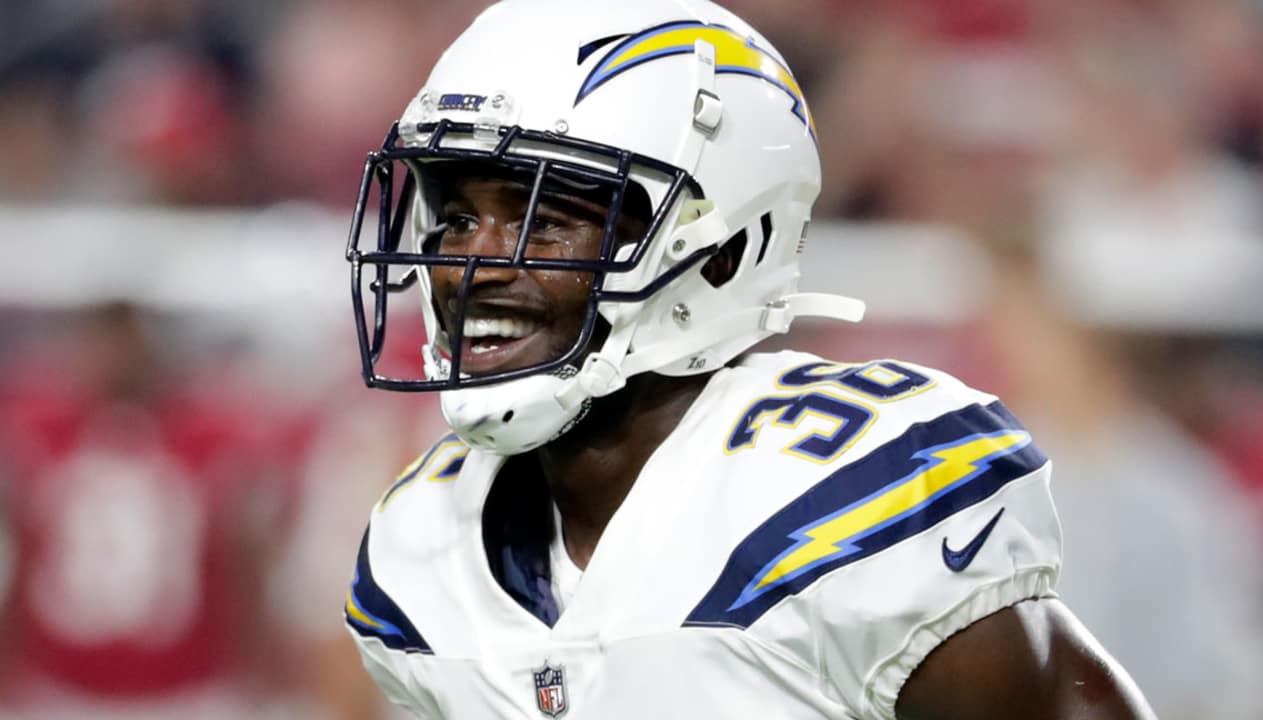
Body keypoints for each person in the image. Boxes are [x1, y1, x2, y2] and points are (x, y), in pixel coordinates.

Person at [341, 1, 1156, 718]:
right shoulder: (420, 552)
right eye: (455, 218)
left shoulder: (846, 499)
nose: (470, 265)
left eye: (540, 221)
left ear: (722, 251)